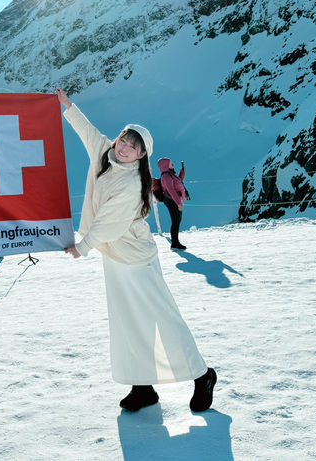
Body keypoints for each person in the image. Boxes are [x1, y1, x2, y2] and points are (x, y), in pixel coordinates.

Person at [56, 88, 217, 413]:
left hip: (137, 260)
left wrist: (83, 245)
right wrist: (68, 107)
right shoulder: (105, 154)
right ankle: (143, 387)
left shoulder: (131, 184)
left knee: (162, 318)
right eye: (125, 141)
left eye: (134, 147)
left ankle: (202, 375)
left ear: (143, 156)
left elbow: (110, 223)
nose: (126, 148)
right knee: (127, 321)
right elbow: (88, 132)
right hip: (114, 258)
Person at [153, 158, 187, 250]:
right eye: (170, 163)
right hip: (172, 201)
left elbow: (178, 182)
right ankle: (175, 243)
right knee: (175, 221)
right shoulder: (166, 177)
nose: (172, 164)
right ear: (165, 165)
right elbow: (171, 191)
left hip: (174, 200)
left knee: (177, 221)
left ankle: (175, 242)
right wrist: (178, 203)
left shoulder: (170, 175)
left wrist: (182, 172)